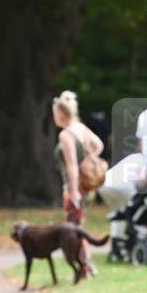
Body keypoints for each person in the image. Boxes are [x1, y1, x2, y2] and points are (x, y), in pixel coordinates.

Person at [52, 90, 104, 275]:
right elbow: (99, 145)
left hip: (76, 188)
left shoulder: (66, 135)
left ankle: (86, 266)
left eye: (55, 113)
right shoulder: (81, 128)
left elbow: (72, 166)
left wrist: (73, 192)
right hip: (88, 187)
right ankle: (86, 265)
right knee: (77, 227)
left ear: (61, 114)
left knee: (72, 230)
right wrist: (90, 158)